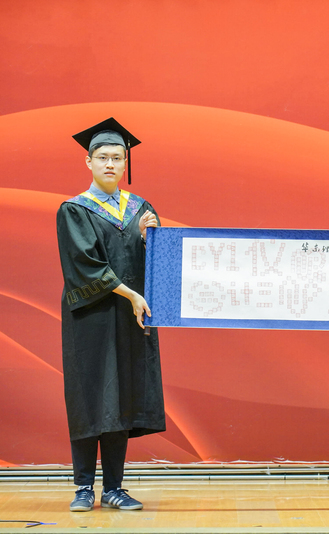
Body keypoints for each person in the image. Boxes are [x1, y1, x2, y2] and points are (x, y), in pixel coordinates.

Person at [56, 118, 165, 512]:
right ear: (88, 162)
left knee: (122, 397)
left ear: (125, 163)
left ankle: (114, 488)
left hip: (131, 317)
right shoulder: (74, 209)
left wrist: (150, 240)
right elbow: (84, 265)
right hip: (91, 316)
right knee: (90, 395)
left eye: (117, 158)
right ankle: (84, 486)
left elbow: (159, 266)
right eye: (102, 157)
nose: (110, 164)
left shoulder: (140, 209)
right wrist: (130, 294)